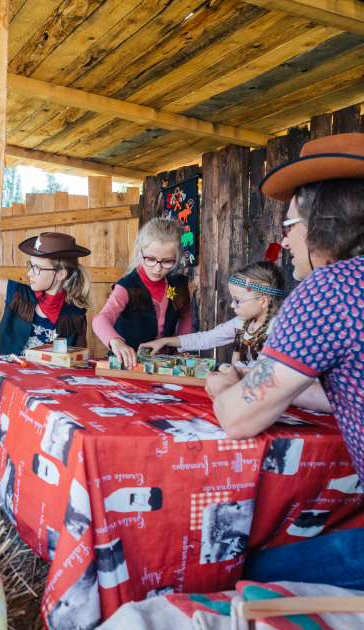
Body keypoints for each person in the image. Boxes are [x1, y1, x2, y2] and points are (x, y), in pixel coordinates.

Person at [204, 133, 364, 588]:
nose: (285, 237)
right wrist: (265, 379)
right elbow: (350, 392)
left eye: (290, 222)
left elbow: (237, 421)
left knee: (233, 571)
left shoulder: (330, 288)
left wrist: (226, 391)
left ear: (324, 222)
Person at [139, 261, 285, 366]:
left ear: (263, 301)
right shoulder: (241, 323)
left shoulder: (279, 331)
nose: (231, 305)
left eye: (238, 300)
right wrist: (163, 341)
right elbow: (207, 338)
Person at [92, 218, 193, 367]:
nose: (157, 269)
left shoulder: (178, 284)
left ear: (176, 257)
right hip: (129, 363)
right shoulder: (127, 287)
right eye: (151, 259)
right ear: (140, 252)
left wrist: (181, 346)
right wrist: (116, 342)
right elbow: (101, 319)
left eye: (167, 261)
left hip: (165, 363)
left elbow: (185, 315)